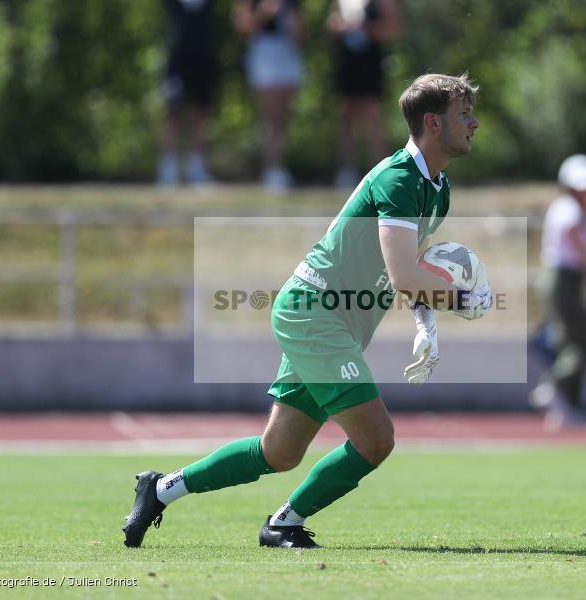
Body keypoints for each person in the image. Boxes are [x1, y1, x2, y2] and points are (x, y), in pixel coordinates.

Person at [122, 74, 491, 549]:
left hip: (335, 319)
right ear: (434, 122)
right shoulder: (399, 178)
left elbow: (404, 265)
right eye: (465, 114)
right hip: (315, 313)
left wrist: (427, 322)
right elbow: (403, 276)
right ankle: (282, 524)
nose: (474, 123)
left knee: (278, 452)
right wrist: (464, 301)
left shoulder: (436, 187)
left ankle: (159, 489)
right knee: (376, 439)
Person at [529, 155, 586, 431]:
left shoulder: (567, 206)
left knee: (572, 342)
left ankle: (567, 407)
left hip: (564, 279)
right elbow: (577, 243)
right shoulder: (569, 208)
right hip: (563, 278)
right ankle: (556, 386)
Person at [327, 0, 402, 189]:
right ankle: (346, 172)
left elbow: (392, 28)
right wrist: (340, 26)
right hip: (347, 63)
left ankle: (382, 172)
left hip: (370, 64)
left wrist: (365, 27)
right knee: (345, 120)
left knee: (374, 120)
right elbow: (330, 25)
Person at [233, 0, 304, 193]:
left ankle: (278, 166)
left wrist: (293, 25)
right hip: (263, 52)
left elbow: (300, 34)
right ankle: (271, 168)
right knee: (269, 117)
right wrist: (264, 13)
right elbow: (243, 27)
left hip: (287, 52)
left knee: (282, 118)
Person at [157, 0, 217, 187]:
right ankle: (168, 169)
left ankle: (197, 168)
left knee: (201, 113)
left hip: (203, 59)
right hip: (176, 59)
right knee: (171, 113)